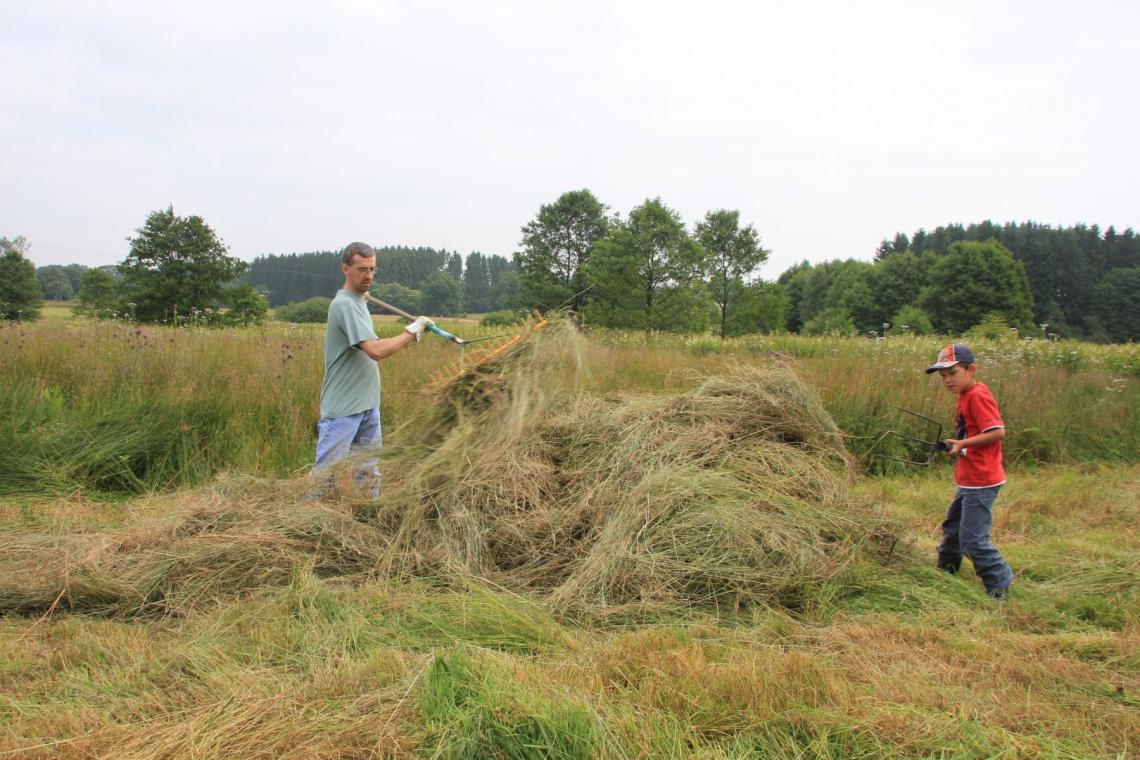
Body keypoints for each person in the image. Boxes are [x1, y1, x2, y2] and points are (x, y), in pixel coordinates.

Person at [312, 241, 433, 497]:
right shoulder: (345, 305)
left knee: (366, 473)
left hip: (367, 406)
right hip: (343, 408)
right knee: (326, 476)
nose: (368, 276)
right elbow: (375, 351)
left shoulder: (357, 302)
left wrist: (360, 297)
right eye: (361, 269)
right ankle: (306, 525)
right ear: (345, 269)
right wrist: (413, 331)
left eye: (372, 269)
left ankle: (368, 518)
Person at [927, 343, 1015, 599]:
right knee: (953, 530)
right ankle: (946, 576)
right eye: (943, 376)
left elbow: (997, 432)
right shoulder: (964, 397)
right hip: (969, 479)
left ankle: (1000, 583)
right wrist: (958, 447)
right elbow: (974, 434)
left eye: (953, 373)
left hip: (982, 481)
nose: (947, 380)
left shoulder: (977, 395)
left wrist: (963, 444)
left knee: (972, 540)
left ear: (971, 369)